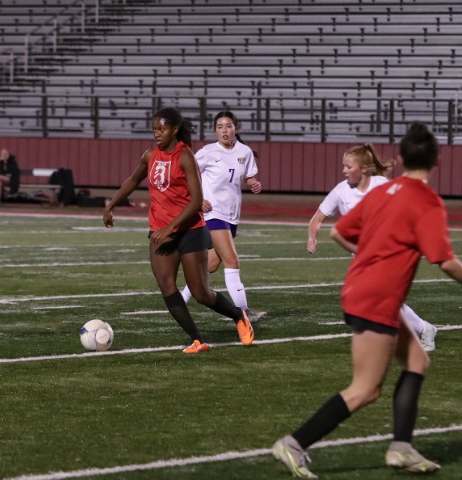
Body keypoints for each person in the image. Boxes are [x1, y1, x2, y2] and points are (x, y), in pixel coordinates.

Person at [272, 122, 462, 478]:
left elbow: (340, 231)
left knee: (417, 361)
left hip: (360, 288)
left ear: (401, 158)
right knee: (366, 389)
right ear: (437, 160)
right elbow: (446, 261)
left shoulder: (383, 191)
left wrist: (370, 256)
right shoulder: (427, 201)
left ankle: (402, 447)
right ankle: (294, 444)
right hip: (377, 298)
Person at [103, 107, 254, 353]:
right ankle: (197, 340)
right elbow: (133, 180)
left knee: (200, 293)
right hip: (160, 231)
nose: (156, 134)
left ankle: (239, 316)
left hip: (190, 229)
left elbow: (196, 200)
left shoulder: (185, 156)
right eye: (154, 129)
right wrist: (110, 205)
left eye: (161, 129)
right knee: (167, 286)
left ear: (174, 130)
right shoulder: (149, 156)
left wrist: (171, 227)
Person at [307, 144, 438, 352]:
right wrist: (312, 237)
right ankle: (420, 329)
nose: (344, 170)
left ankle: (421, 330)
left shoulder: (381, 184)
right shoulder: (341, 191)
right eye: (344, 166)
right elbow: (317, 218)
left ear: (364, 168)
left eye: (348, 167)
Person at [180, 111, 267, 323]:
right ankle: (243, 312)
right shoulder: (207, 152)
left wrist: (253, 183)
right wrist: (198, 199)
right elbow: (185, 174)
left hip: (232, 215)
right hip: (213, 213)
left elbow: (249, 176)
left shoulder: (244, 151)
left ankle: (180, 300)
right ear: (215, 131)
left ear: (236, 129)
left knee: (210, 265)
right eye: (220, 127)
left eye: (228, 126)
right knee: (232, 260)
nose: (224, 131)